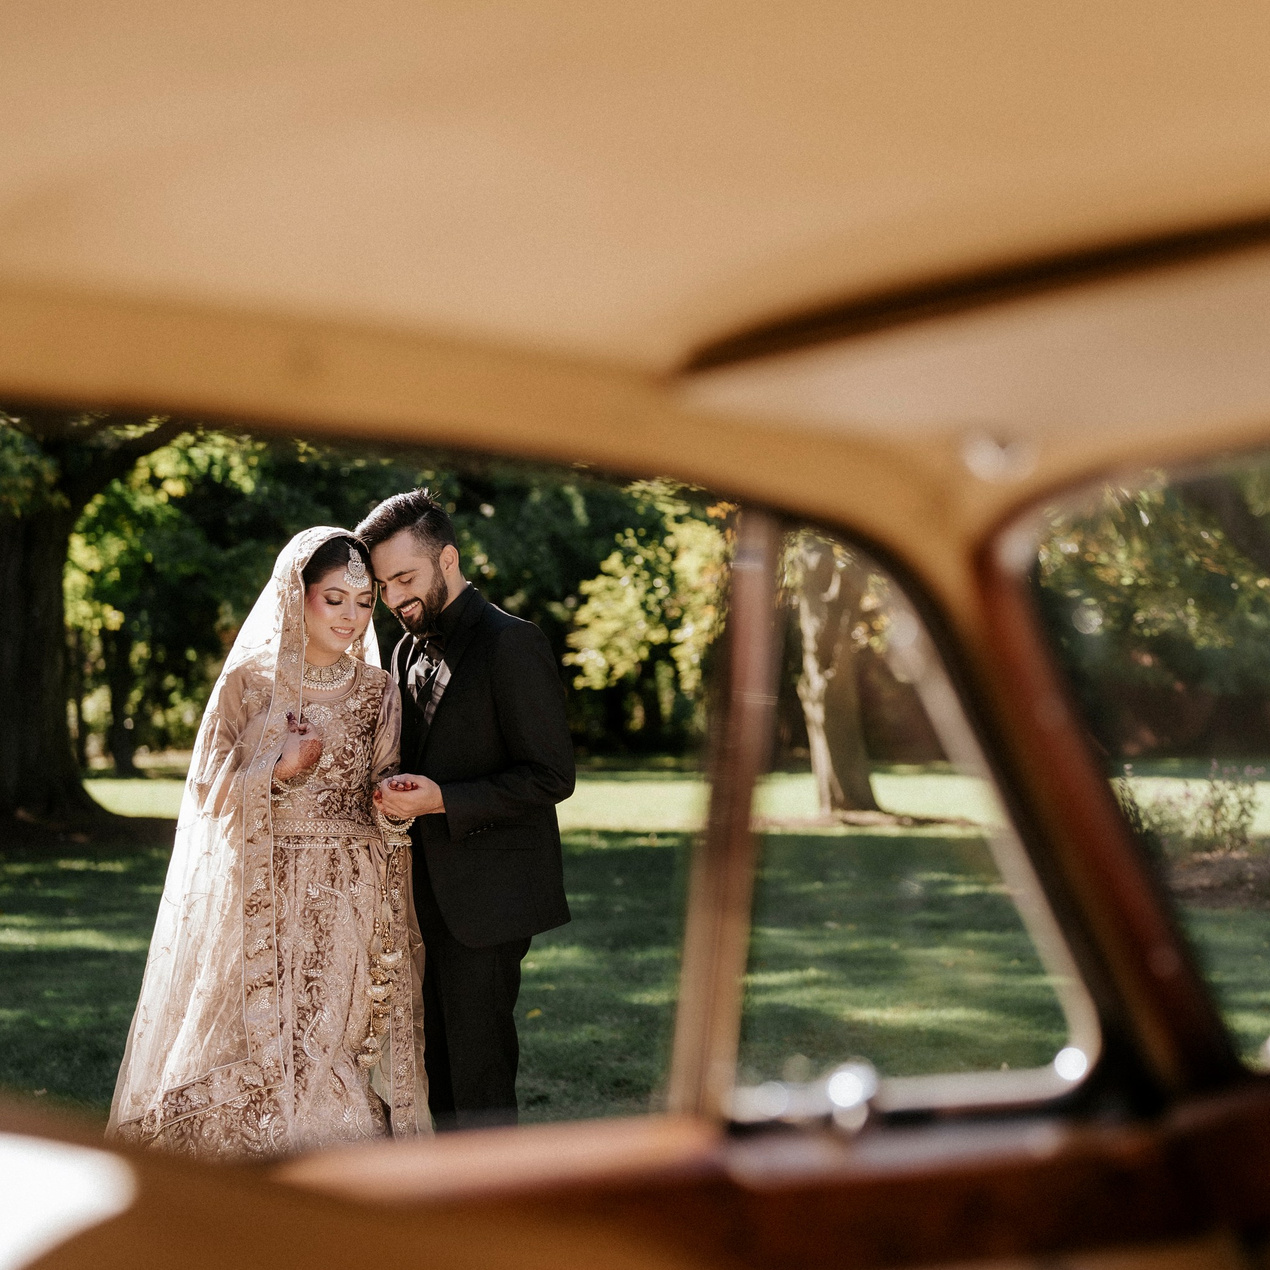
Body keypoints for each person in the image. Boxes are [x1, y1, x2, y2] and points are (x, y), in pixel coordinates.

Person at [108, 528, 429, 1158]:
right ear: (296, 595)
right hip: (260, 884)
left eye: (364, 603)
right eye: (334, 598)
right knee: (252, 1031)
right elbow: (206, 797)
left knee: (327, 1028)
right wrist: (274, 771)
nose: (351, 616)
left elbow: (384, 790)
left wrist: (395, 803)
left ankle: (326, 1164)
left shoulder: (378, 691)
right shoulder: (249, 683)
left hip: (346, 889)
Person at [358, 490, 574, 1130]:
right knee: (433, 1073)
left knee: (478, 1082)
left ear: (447, 559)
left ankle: (495, 1211)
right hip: (417, 901)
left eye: (405, 578)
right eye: (384, 584)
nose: (395, 599)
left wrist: (445, 799)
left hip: (488, 904)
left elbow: (551, 776)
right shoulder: (402, 650)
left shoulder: (514, 644)